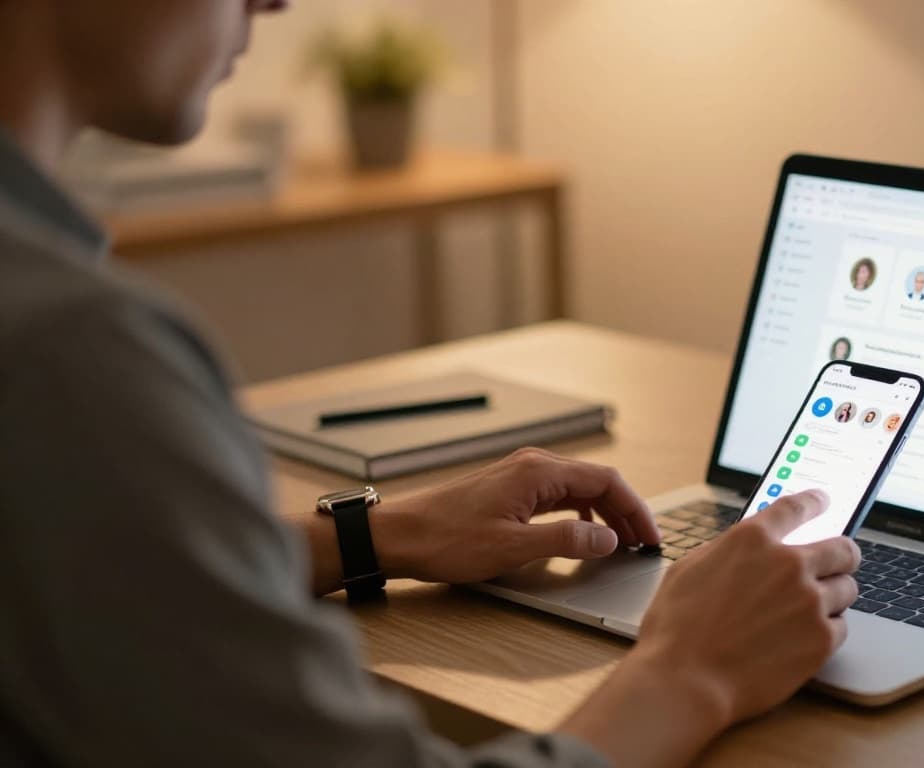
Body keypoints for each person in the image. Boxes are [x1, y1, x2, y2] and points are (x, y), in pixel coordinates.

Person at [0, 3, 861, 768]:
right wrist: (692, 670)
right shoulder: (72, 349)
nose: (274, 0)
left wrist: (377, 536)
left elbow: (93, 569)